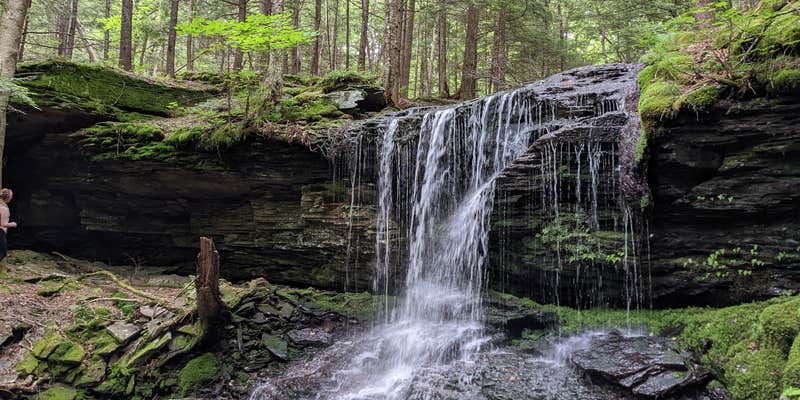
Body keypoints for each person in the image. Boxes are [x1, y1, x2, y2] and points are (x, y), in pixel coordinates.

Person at [0, 188, 18, 274]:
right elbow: (3, 224)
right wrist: (13, 224)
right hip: (0, 232)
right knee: (2, 253)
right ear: (9, 197)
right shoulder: (4, 208)